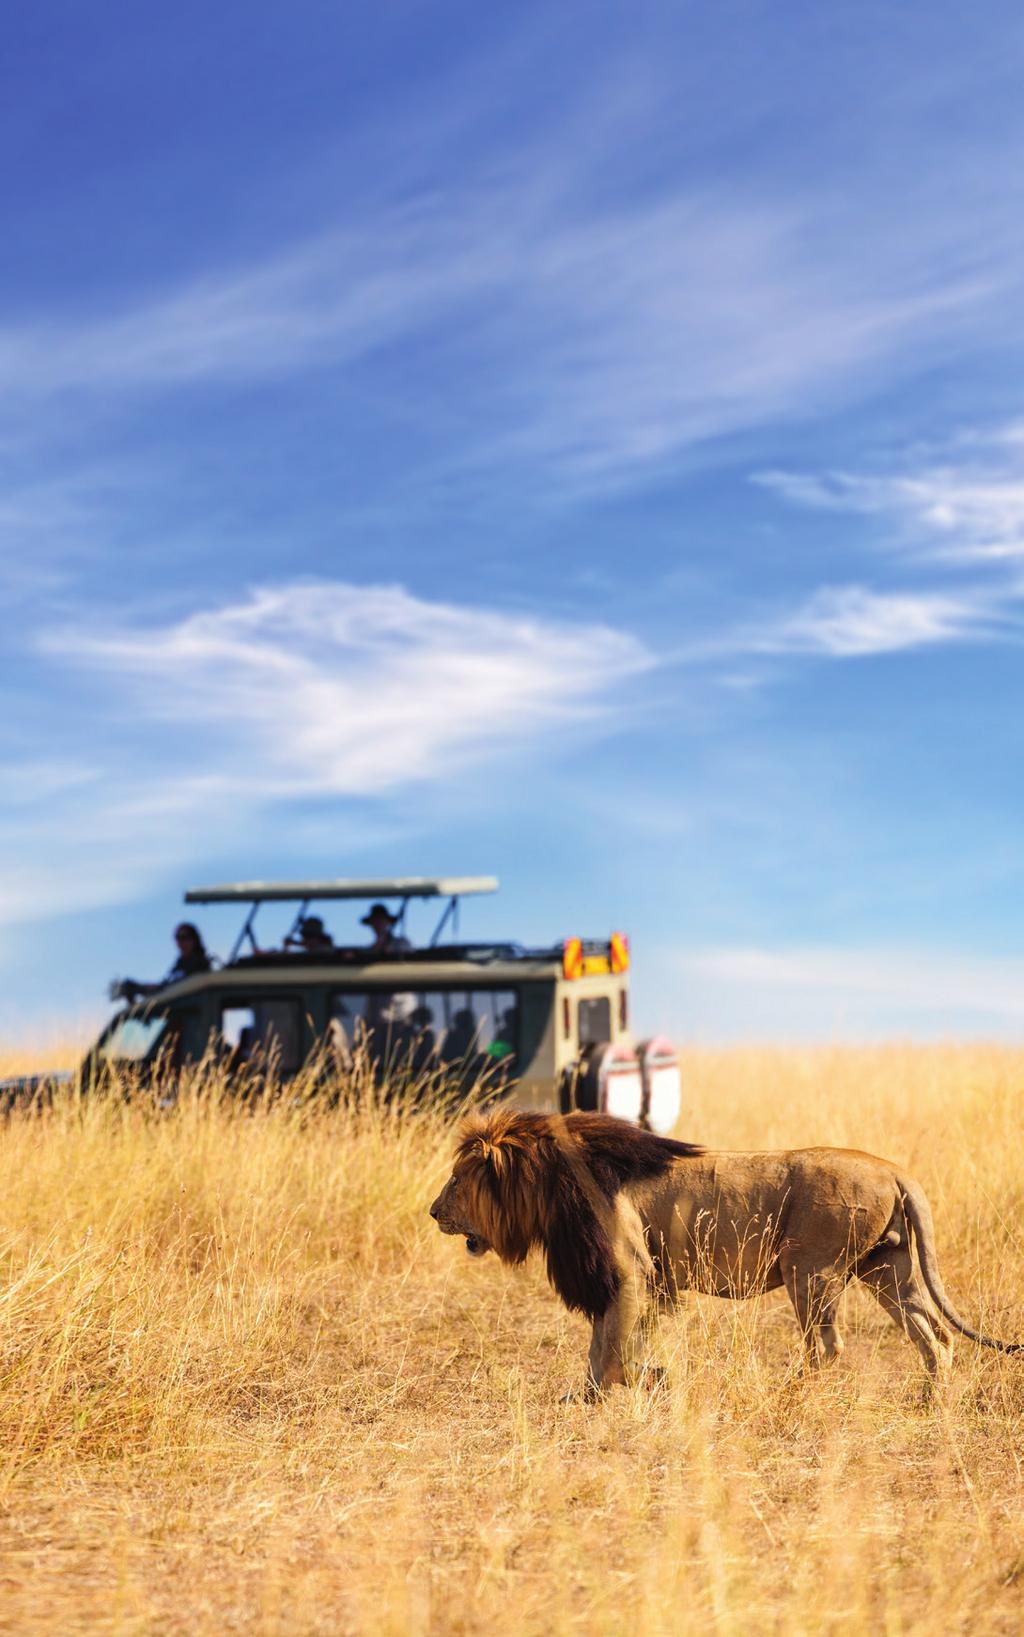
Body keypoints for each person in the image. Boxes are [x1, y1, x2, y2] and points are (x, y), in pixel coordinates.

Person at [110, 923, 212, 1001]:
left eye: (184, 937)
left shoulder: (200, 966)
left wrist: (142, 989)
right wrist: (138, 988)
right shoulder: (179, 966)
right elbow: (163, 988)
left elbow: (172, 990)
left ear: (194, 940)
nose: (179, 943)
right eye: (177, 938)